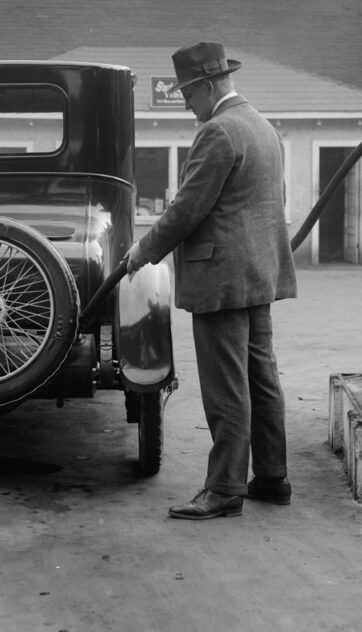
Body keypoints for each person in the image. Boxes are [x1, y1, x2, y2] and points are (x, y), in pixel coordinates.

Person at [126, 41, 297, 519]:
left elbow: (186, 209)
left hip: (221, 279)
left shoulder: (219, 132)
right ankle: (271, 476)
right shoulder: (263, 127)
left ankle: (223, 489)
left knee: (227, 388)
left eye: (187, 94)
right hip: (259, 275)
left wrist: (142, 251)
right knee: (262, 378)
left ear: (206, 85)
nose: (185, 104)